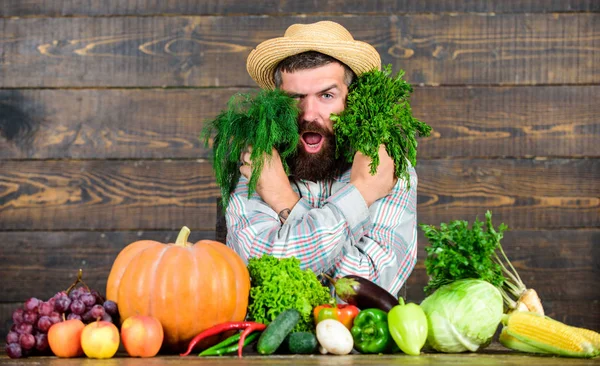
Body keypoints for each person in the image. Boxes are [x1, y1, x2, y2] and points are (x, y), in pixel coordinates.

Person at [225, 21, 418, 296]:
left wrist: (284, 201)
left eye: (327, 95)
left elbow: (366, 291)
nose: (308, 114)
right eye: (295, 98)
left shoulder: (387, 166)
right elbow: (264, 273)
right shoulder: (256, 165)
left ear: (352, 100)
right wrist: (360, 195)